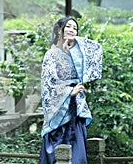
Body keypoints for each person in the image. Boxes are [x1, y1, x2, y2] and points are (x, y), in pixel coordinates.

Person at [38, 17, 103, 164]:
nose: (72, 30)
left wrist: (75, 46)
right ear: (59, 30)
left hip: (76, 108)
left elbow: (96, 49)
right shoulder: (51, 55)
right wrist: (69, 92)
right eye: (68, 26)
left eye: (75, 28)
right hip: (59, 112)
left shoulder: (78, 54)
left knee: (77, 155)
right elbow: (49, 84)